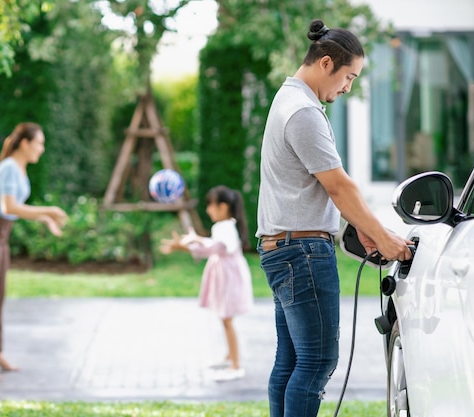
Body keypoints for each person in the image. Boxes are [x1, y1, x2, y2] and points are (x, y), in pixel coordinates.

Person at [255, 19, 414, 416]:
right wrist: (387, 239)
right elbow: (339, 187)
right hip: (303, 253)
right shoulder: (303, 111)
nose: (348, 88)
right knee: (316, 362)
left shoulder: (285, 99)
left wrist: (367, 229)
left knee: (291, 362)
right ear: (326, 63)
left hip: (283, 248)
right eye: (349, 77)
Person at [0, 122, 68, 381]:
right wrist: (48, 211)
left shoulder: (18, 168)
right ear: (25, 143)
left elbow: (16, 209)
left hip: (1, 235)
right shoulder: (10, 167)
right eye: (39, 143)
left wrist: (46, 220)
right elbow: (9, 207)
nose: (41, 149)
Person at [160, 185, 254, 382]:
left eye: (210, 205)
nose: (208, 210)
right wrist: (198, 240)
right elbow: (214, 244)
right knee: (224, 316)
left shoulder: (224, 226)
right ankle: (230, 356)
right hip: (227, 276)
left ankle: (236, 364)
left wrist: (184, 247)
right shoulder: (226, 225)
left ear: (223, 206)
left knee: (227, 318)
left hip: (229, 278)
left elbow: (215, 248)